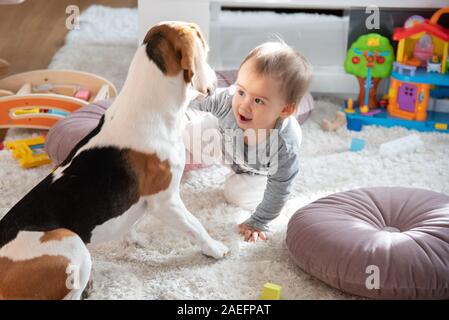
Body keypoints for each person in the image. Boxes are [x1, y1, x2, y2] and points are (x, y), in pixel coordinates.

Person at [183, 41, 313, 242]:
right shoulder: (229, 101)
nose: (244, 105)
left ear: (285, 110)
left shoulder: (284, 145)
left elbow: (279, 187)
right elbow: (199, 97)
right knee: (186, 132)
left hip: (256, 170)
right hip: (224, 142)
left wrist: (259, 221)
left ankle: (239, 183)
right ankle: (183, 155)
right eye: (241, 91)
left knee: (237, 196)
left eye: (258, 100)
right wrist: (177, 91)